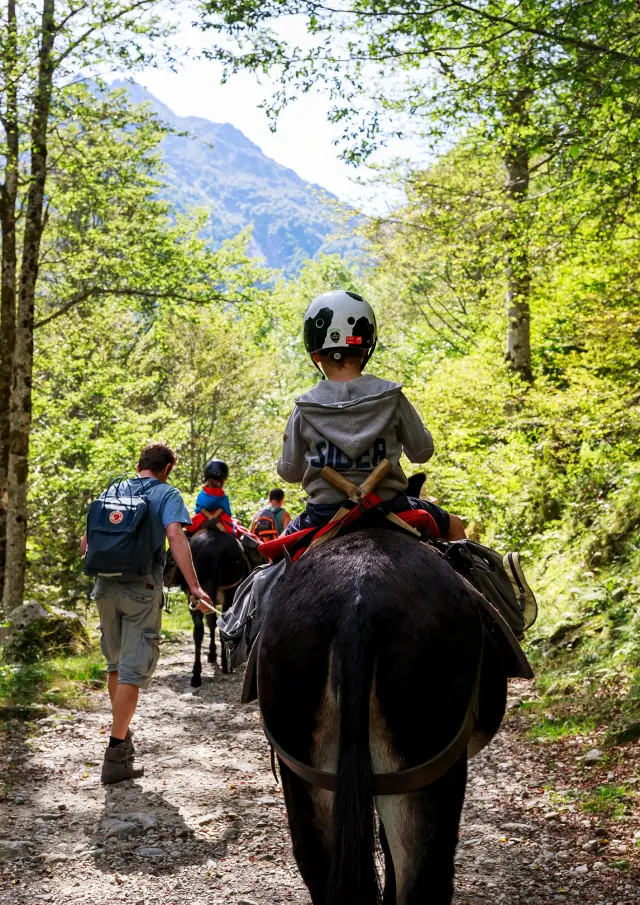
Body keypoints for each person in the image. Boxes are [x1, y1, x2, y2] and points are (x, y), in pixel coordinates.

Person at [277, 289, 536, 624]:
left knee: (274, 566)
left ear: (315, 352)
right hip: (392, 510)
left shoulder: (304, 407)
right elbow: (422, 451)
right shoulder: (392, 397)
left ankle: (247, 633)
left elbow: (289, 473)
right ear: (366, 346)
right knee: (456, 528)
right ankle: (496, 616)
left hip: (323, 518)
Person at [81, 442, 214, 784]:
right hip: (141, 589)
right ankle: (115, 757)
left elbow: (85, 545)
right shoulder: (167, 494)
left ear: (140, 463)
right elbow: (175, 536)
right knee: (131, 672)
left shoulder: (114, 489)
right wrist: (195, 587)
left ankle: (122, 738)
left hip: (104, 588)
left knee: (115, 665)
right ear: (167, 468)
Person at [185, 459, 234, 535]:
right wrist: (215, 516)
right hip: (220, 520)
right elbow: (228, 512)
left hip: (202, 518)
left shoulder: (201, 494)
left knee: (187, 534)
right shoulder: (223, 497)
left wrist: (209, 517)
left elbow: (199, 509)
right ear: (223, 481)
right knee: (235, 533)